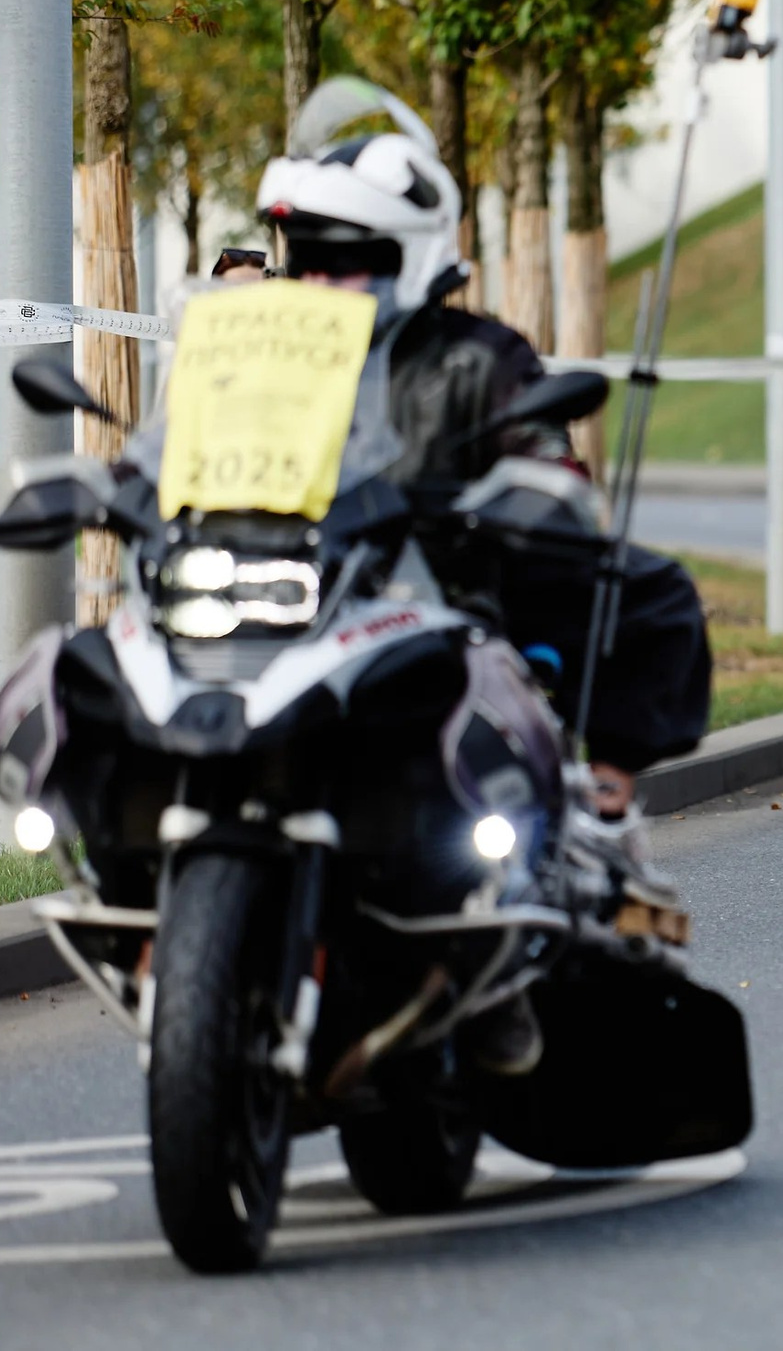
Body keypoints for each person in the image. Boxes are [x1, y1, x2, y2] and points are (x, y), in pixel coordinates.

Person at [254, 78, 711, 1070]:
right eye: (309, 257)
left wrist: (529, 480)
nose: (324, 280)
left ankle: (603, 800)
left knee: (649, 591)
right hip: (279, 599)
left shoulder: (477, 353)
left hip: (435, 595)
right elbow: (184, 451)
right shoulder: (258, 353)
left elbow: (542, 446)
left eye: (351, 260)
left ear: (406, 257)